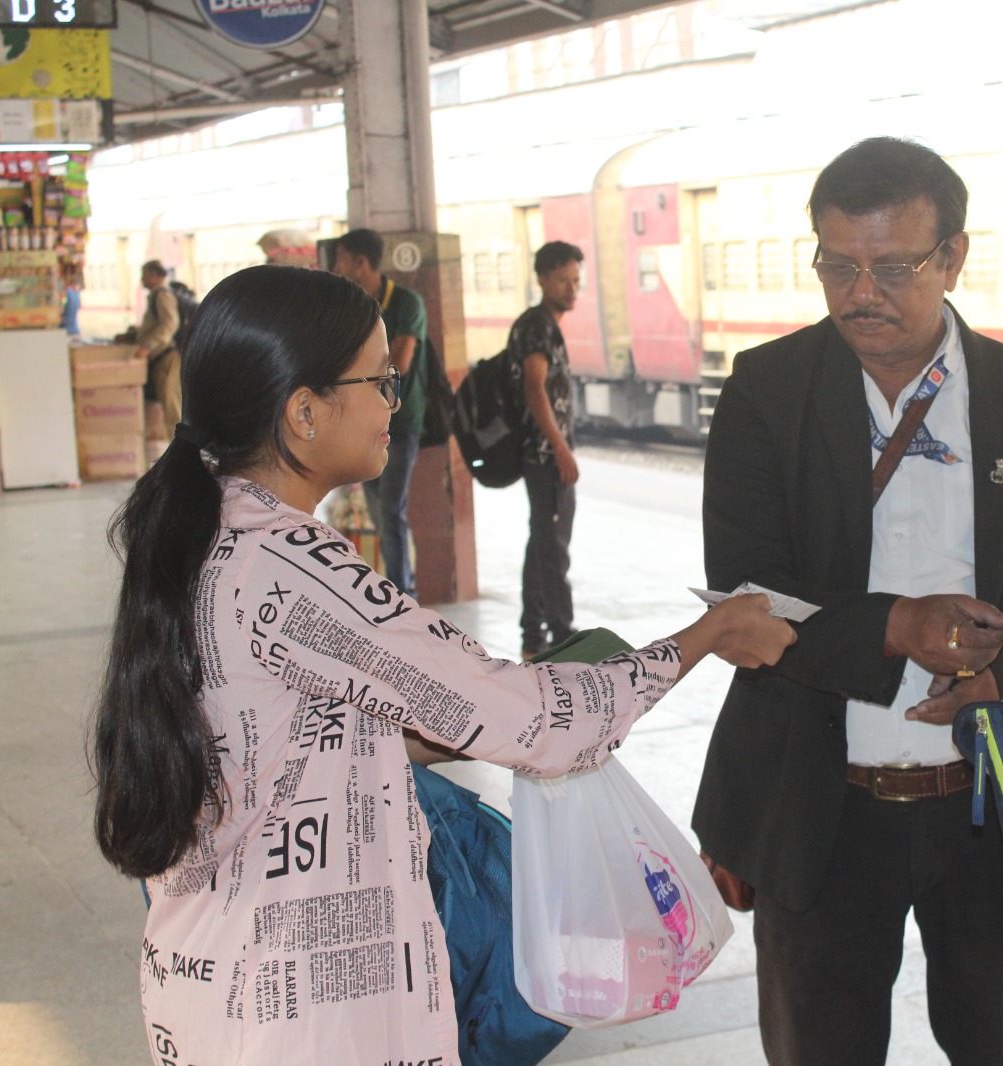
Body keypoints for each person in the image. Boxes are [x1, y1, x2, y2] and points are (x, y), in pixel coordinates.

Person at [89, 264, 794, 1065]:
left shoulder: (208, 524)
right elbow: (540, 723)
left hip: (216, 984)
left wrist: (435, 726)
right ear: (305, 410)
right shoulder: (291, 564)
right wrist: (706, 637)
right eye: (381, 381)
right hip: (310, 1013)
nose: (396, 401)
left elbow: (290, 730)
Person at [692, 136, 1003, 1066]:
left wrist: (1001, 676)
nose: (862, 294)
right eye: (838, 265)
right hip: (820, 806)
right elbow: (744, 598)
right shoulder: (767, 396)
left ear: (955, 258)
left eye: (893, 268)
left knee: (1002, 1045)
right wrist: (900, 626)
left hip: (992, 807)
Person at [332, 228, 428, 598]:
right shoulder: (351, 306)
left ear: (360, 262)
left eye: (340, 258)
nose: (336, 267)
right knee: (376, 509)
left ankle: (404, 598)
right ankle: (395, 591)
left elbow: (397, 364)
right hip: (363, 420)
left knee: (391, 510)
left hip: (401, 422)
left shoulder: (405, 303)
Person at [506, 240, 584, 659]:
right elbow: (534, 385)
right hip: (543, 455)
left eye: (576, 280)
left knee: (542, 542)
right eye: (562, 280)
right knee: (552, 545)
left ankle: (534, 635)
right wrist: (560, 448)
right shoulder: (537, 326)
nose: (572, 289)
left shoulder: (542, 324)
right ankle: (561, 635)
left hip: (543, 454)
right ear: (541, 280)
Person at [133, 259, 181, 440]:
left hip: (167, 359)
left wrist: (148, 345)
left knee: (173, 410)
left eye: (144, 274)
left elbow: (170, 324)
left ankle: (182, 455)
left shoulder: (163, 295)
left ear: (153, 275)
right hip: (162, 360)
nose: (142, 279)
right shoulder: (155, 296)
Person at [60, 265, 82, 338]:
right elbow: (79, 306)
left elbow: (62, 306)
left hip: (65, 329)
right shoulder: (77, 291)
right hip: (75, 328)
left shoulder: (66, 292)